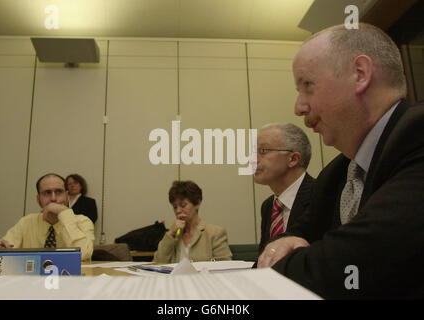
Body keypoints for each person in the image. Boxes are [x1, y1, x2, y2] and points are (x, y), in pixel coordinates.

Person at [258, 23, 424, 299]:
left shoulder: (418, 135)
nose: (299, 107)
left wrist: (302, 257)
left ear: (359, 74)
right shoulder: (337, 174)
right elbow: (277, 251)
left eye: (308, 86)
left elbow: (350, 263)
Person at [0, 173, 95, 261]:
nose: (53, 198)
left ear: (67, 196)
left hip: (72, 282)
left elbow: (83, 254)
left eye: (58, 192)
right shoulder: (26, 222)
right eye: (47, 193)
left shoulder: (83, 221)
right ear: (38, 199)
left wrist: (64, 212)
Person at [254, 123, 315, 255]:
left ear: (293, 159)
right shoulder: (268, 205)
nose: (253, 159)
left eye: (263, 151)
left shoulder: (321, 195)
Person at [153, 180, 232, 263]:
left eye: (183, 205)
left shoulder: (215, 233)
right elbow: (157, 263)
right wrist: (170, 233)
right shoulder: (175, 234)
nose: (178, 211)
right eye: (175, 207)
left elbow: (225, 266)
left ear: (197, 203)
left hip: (204, 276)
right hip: (175, 276)